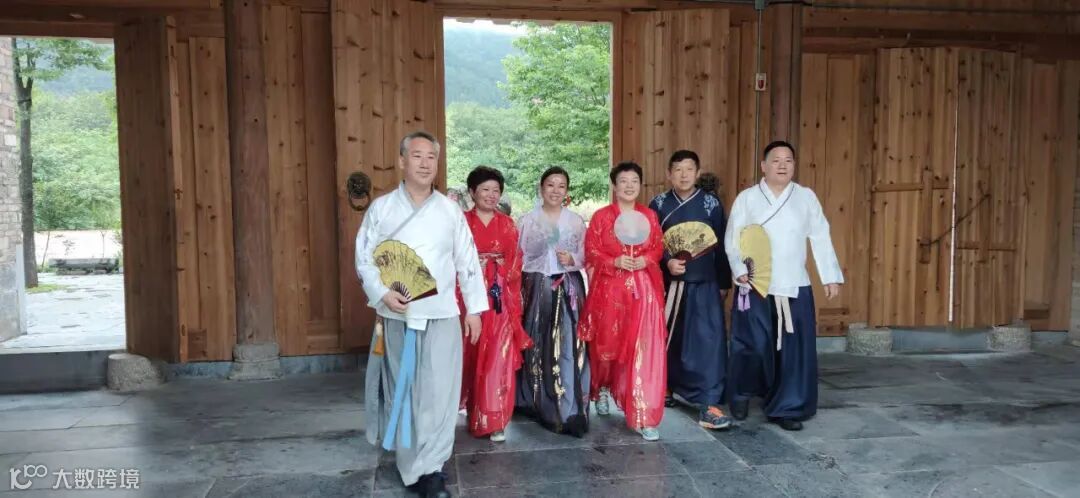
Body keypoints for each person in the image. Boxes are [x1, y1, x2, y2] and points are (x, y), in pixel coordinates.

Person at [356, 131, 487, 498]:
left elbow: (467, 260)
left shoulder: (449, 210)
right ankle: (412, 465)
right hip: (399, 314)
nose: (425, 163)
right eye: (417, 155)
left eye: (431, 156)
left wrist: (474, 308)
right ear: (402, 161)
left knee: (440, 392)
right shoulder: (382, 208)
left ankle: (432, 467)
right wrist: (382, 293)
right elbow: (364, 258)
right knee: (404, 389)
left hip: (442, 312)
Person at [724, 140, 844, 432]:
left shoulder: (805, 197)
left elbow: (820, 235)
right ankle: (741, 394)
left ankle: (787, 406)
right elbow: (733, 238)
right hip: (755, 284)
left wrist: (829, 275)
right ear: (763, 166)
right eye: (775, 160)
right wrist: (739, 269)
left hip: (794, 283)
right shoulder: (747, 198)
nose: (782, 165)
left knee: (793, 350)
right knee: (751, 344)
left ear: (794, 166)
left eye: (788, 160)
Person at [581, 162, 666, 441]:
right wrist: (613, 261)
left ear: (640, 185)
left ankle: (643, 412)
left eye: (634, 181)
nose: (629, 186)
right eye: (623, 181)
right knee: (608, 342)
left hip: (643, 289)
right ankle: (603, 388)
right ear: (614, 186)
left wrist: (646, 259)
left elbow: (658, 246)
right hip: (611, 288)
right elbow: (591, 250)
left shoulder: (649, 215)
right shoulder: (601, 217)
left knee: (643, 347)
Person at [648, 150, 734, 430]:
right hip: (671, 285)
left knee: (709, 342)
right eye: (677, 169)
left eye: (689, 169)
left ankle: (709, 401)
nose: (683, 175)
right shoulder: (658, 204)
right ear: (668, 174)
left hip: (705, 283)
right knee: (671, 340)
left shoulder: (711, 204)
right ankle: (668, 386)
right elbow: (651, 244)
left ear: (697, 173)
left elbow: (721, 245)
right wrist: (667, 262)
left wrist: (724, 282)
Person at [457, 166, 532, 442]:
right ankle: (472, 408)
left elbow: (516, 260)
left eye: (496, 190)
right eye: (485, 189)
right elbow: (453, 258)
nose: (491, 195)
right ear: (472, 192)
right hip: (468, 297)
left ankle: (495, 418)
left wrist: (500, 273)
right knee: (470, 353)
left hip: (499, 298)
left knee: (497, 357)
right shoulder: (461, 221)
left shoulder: (508, 224)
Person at [514, 166, 591, 437]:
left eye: (561, 186)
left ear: (566, 191)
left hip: (568, 285)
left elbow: (587, 255)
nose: (555, 190)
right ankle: (533, 399)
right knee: (536, 340)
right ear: (541, 188)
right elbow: (517, 256)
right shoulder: (527, 221)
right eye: (550, 185)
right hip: (536, 285)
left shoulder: (576, 222)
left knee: (568, 344)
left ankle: (568, 407)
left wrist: (574, 259)